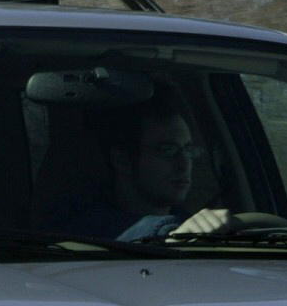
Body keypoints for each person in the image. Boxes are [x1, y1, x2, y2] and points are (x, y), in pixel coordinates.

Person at [78, 97, 232, 240]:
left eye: (187, 150)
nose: (184, 165)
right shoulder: (80, 230)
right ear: (122, 160)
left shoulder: (194, 223)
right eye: (167, 151)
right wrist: (167, 237)